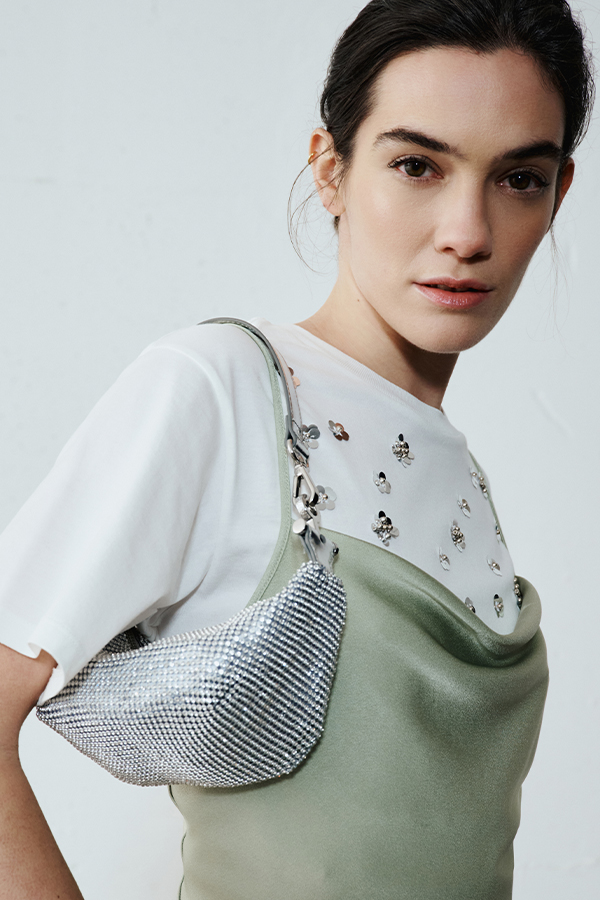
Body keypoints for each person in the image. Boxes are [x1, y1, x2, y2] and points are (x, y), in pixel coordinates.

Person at [0, 0, 594, 897]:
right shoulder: (223, 389)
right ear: (331, 171)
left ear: (558, 196)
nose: (467, 233)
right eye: (416, 165)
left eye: (518, 178)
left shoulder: (463, 477)